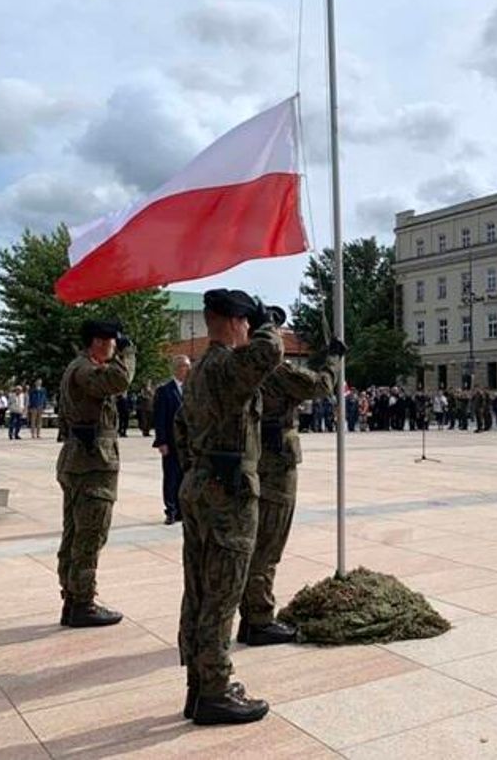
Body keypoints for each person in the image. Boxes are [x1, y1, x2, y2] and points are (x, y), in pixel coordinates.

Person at [174, 289, 282, 726]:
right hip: (227, 496)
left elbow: (181, 431)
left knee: (199, 591)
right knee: (222, 595)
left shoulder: (199, 370)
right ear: (237, 322)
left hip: (201, 485)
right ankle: (215, 692)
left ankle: (199, 687)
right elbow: (270, 352)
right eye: (248, 323)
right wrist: (269, 320)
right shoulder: (226, 365)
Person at [239, 332, 342, 647]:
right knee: (269, 543)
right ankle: (259, 619)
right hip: (276, 464)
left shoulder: (241, 364)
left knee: (259, 540)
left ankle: (251, 616)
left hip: (253, 457)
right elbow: (319, 386)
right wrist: (334, 360)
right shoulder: (276, 369)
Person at [56, 319, 136, 628]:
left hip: (84, 462)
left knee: (77, 535)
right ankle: (82, 603)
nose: (116, 348)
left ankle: (74, 599)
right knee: (89, 536)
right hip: (91, 465)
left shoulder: (81, 367)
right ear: (100, 342)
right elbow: (119, 380)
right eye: (113, 343)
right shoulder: (85, 369)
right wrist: (129, 353)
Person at [152, 355, 191, 525]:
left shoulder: (192, 389)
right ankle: (171, 510)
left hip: (188, 443)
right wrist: (161, 442)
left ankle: (183, 510)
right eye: (185, 366)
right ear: (176, 368)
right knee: (171, 477)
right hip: (171, 442)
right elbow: (159, 419)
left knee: (185, 477)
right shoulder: (165, 390)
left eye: (189, 366)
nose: (188, 369)